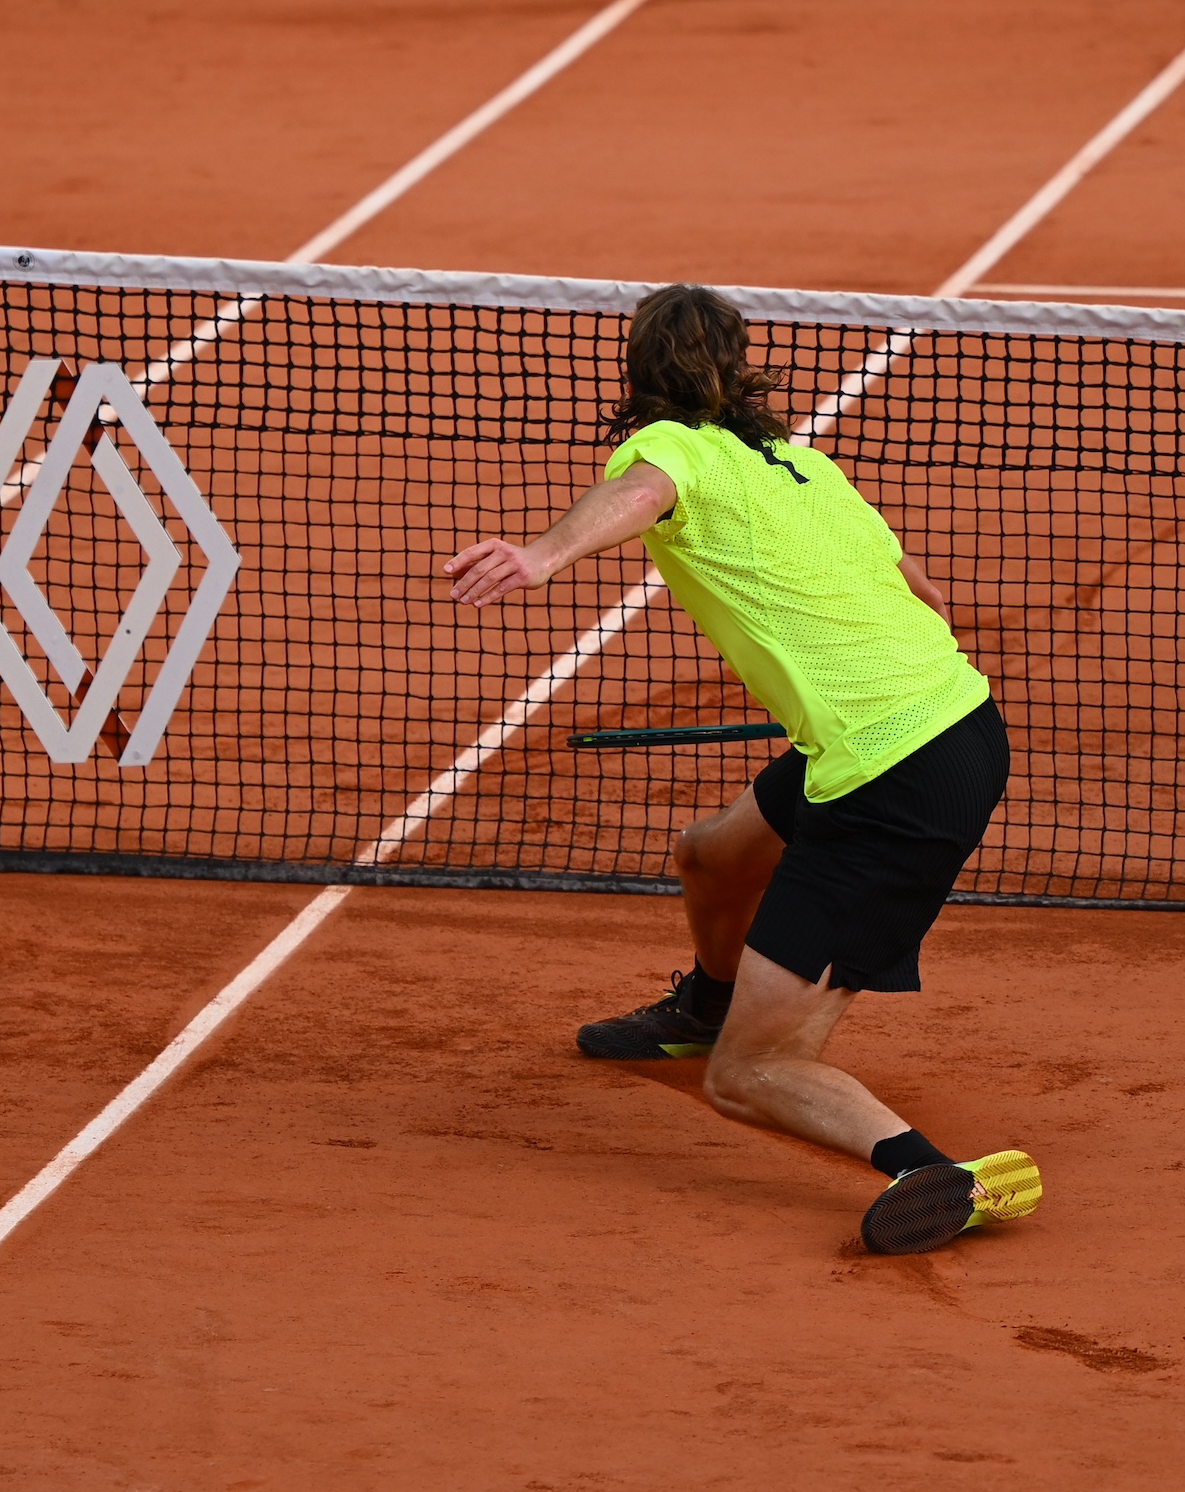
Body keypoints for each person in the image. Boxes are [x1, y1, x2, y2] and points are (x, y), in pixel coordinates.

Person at [443, 285, 1041, 1255]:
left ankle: (935, 1170)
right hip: (950, 724)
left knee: (750, 1071)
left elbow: (640, 497)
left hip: (889, 776)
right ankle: (701, 1002)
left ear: (638, 378)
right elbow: (926, 601)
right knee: (715, 855)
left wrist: (542, 554)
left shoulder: (667, 452)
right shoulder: (807, 466)